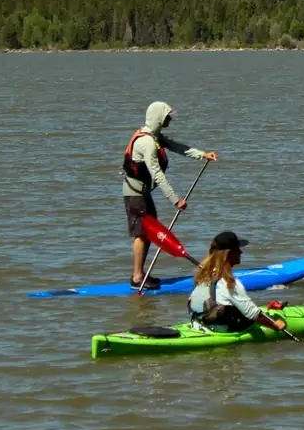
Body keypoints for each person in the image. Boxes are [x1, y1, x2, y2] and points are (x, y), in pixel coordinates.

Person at [123, 101, 217, 292]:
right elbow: (157, 173)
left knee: (149, 233)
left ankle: (140, 275)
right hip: (134, 195)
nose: (170, 119)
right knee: (141, 234)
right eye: (167, 116)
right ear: (158, 117)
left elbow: (178, 147)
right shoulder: (146, 142)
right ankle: (137, 278)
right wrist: (175, 200)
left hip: (142, 193)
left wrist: (202, 155)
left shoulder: (154, 136)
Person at [188, 231, 288, 334]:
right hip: (219, 331)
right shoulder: (229, 283)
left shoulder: (203, 277)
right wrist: (275, 324)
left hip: (197, 324)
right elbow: (253, 314)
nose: (241, 252)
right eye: (238, 249)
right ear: (230, 253)